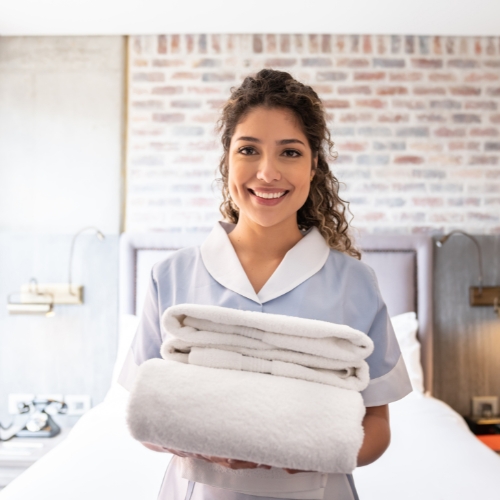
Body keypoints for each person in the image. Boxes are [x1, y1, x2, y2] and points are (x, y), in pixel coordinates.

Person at [118, 69, 412, 500]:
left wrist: (309, 451)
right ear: (227, 161)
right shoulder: (173, 276)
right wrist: (210, 445)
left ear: (314, 166)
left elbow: (376, 426)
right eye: (249, 150)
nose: (267, 172)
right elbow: (147, 411)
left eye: (290, 152)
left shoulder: (355, 283)